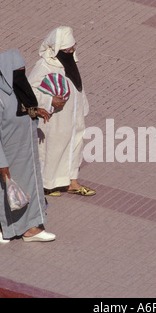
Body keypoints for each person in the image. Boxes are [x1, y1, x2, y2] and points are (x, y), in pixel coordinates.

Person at [0, 49, 56, 244]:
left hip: (23, 151)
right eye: (17, 72)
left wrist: (35, 111)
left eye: (23, 70)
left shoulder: (18, 88)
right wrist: (0, 162)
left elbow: (20, 109)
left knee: (25, 187)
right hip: (4, 153)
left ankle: (30, 228)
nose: (22, 75)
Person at [28, 26, 96, 197]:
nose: (71, 51)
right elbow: (29, 92)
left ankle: (72, 182)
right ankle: (48, 184)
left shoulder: (70, 61)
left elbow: (77, 86)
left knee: (75, 146)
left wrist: (82, 108)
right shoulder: (44, 66)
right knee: (54, 149)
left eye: (72, 47)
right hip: (55, 119)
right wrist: (50, 101)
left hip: (74, 117)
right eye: (66, 49)